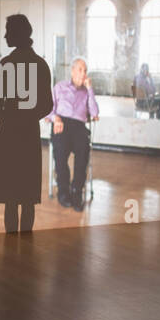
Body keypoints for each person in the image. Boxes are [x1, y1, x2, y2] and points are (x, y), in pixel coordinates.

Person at [0, 14, 54, 233]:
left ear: (17, 34)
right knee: (27, 197)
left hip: (9, 133)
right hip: (28, 134)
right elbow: (46, 105)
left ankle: (11, 249)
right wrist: (26, 117)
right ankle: (26, 250)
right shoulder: (41, 64)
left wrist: (9, 118)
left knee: (10, 197)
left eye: (8, 31)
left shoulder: (7, 64)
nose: (6, 35)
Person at [47, 57, 99, 211]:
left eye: (85, 71)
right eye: (80, 70)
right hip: (61, 123)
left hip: (79, 126)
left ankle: (77, 190)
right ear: (72, 71)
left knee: (83, 150)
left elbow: (95, 112)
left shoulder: (86, 92)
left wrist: (90, 89)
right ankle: (63, 190)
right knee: (60, 151)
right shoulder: (59, 87)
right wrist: (55, 118)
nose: (83, 74)